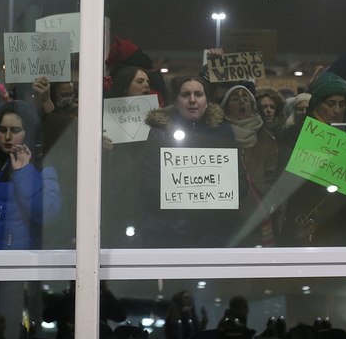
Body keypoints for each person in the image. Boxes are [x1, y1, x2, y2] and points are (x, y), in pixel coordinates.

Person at [278, 71, 346, 246]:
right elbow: (284, 176)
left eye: (342, 104)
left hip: (340, 223)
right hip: (304, 218)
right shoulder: (295, 133)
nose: (337, 110)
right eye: (331, 104)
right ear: (317, 104)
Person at [140, 77, 241, 247]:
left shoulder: (223, 132)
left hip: (214, 233)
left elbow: (239, 180)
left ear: (207, 101)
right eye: (186, 95)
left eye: (199, 94)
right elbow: (149, 180)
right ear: (176, 102)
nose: (192, 100)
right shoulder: (160, 133)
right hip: (169, 232)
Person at [0, 100, 61, 249]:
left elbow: (48, 213)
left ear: (28, 132)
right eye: (2, 130)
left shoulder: (42, 167)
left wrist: (25, 173)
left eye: (15, 130)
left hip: (20, 261)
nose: (7, 137)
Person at [101, 66, 154, 247]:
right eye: (139, 81)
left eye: (147, 81)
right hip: (115, 200)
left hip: (146, 198)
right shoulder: (103, 119)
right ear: (125, 86)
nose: (146, 85)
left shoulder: (159, 119)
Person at [221, 85, 278, 246]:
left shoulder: (266, 138)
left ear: (253, 106)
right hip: (225, 211)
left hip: (256, 211)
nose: (241, 102)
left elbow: (271, 175)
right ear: (226, 107)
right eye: (235, 98)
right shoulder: (218, 135)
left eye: (246, 98)